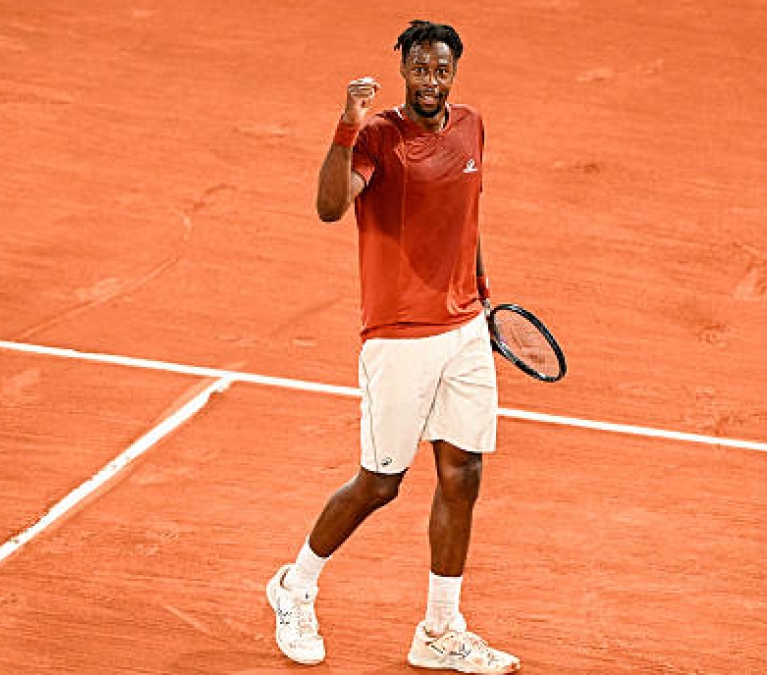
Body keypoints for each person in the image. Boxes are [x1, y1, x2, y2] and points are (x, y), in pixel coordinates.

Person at [265, 19, 520, 674]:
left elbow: (468, 218)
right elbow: (329, 205)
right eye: (419, 69)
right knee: (381, 482)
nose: (430, 82)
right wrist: (346, 124)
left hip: (463, 329)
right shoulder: (378, 135)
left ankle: (440, 627)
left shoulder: (472, 127)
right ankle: (295, 585)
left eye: (441, 70)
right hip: (399, 336)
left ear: (452, 74)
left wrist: (483, 298)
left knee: (462, 474)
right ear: (403, 70)